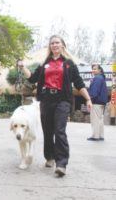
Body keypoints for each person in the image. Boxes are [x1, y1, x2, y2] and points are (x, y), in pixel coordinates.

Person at [18, 35, 92, 177]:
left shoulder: (69, 63)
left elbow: (79, 83)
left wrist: (88, 99)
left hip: (62, 100)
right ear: (50, 46)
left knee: (59, 130)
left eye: (57, 42)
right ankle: (50, 157)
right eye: (52, 43)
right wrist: (23, 67)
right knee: (48, 131)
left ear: (62, 45)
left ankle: (61, 164)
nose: (55, 45)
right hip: (46, 100)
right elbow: (32, 78)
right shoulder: (45, 63)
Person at [87, 64, 108, 141]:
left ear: (99, 70)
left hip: (96, 101)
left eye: (95, 69)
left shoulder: (97, 78)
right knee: (100, 119)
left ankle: (95, 136)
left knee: (95, 119)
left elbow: (94, 91)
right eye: (93, 69)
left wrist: (90, 99)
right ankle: (100, 135)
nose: (93, 70)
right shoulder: (101, 78)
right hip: (101, 102)